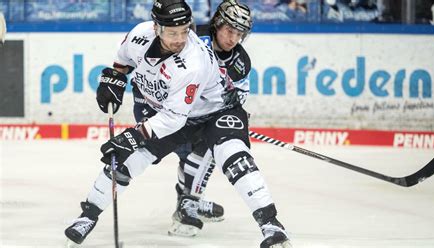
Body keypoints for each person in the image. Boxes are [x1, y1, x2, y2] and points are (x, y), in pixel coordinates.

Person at [64, 0, 292, 247]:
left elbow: (173, 119)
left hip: (215, 111)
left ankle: (271, 225)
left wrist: (134, 135)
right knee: (128, 159)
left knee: (234, 157)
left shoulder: (192, 62)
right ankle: (87, 217)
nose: (180, 39)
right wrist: (115, 78)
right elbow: (123, 61)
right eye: (173, 33)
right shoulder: (139, 35)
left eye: (185, 31)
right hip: (176, 111)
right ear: (156, 27)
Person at [165, 0, 254, 236]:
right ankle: (187, 201)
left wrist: (231, 112)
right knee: (186, 155)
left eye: (239, 33)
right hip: (175, 113)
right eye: (229, 30)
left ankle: (188, 203)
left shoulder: (241, 62)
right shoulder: (192, 38)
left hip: (205, 118)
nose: (233, 38)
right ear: (217, 23)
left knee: (205, 152)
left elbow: (237, 98)